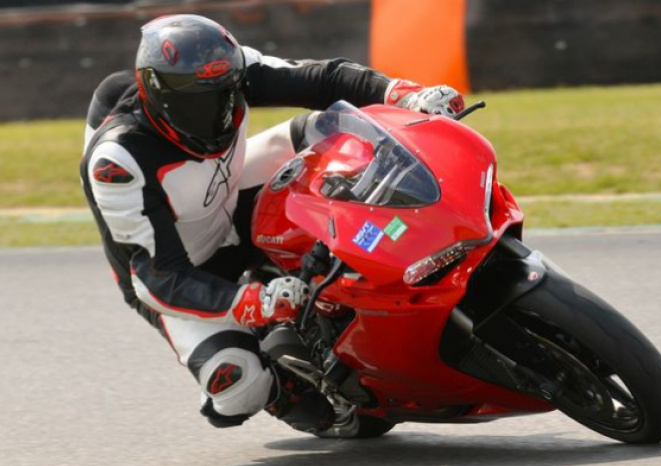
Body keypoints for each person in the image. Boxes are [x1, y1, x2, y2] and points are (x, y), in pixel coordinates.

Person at [80, 14, 465, 431]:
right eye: (200, 100)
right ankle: (305, 400)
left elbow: (320, 79)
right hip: (183, 265)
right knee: (236, 386)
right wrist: (249, 302)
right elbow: (158, 278)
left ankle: (407, 245)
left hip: (226, 190)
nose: (222, 110)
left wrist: (403, 94)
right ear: (159, 95)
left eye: (228, 93)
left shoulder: (231, 68)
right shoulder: (117, 161)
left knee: (331, 127)